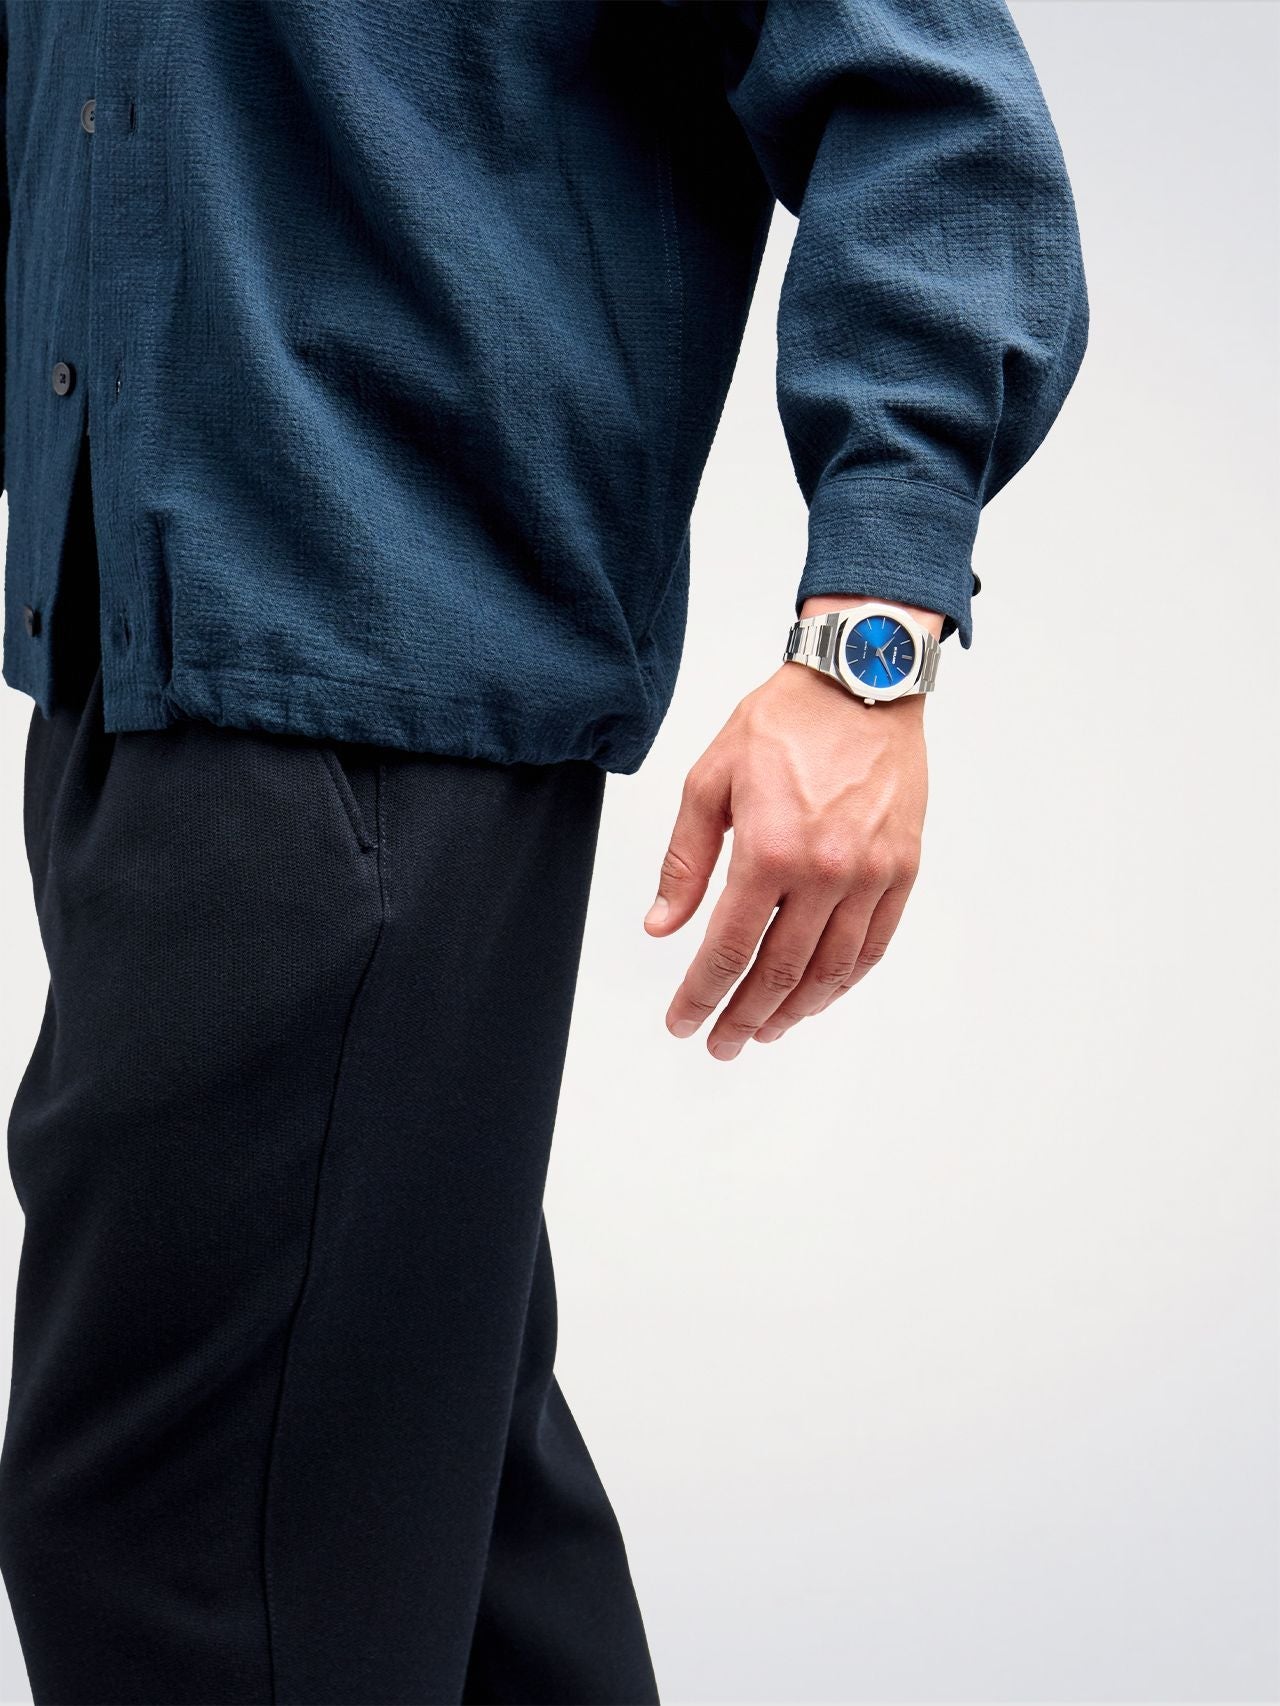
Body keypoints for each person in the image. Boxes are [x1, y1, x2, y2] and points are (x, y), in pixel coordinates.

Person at [0, 1, 1087, 1700]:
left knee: (183, 1559)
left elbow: (933, 111)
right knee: (429, 1519)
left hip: (347, 715)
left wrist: (870, 641)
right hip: (122, 686)